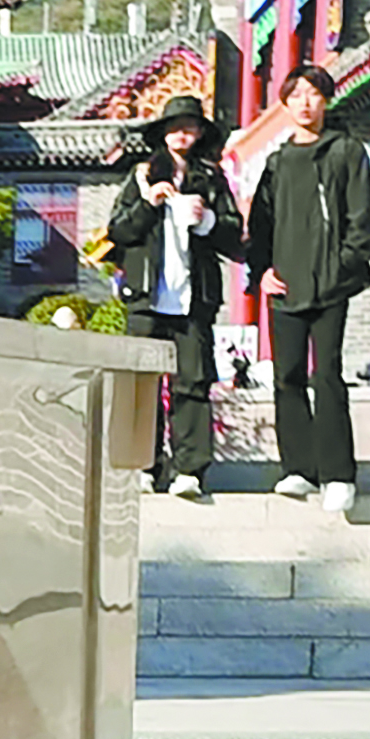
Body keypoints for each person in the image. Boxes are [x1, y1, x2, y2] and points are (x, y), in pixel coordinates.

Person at [240, 59, 370, 510]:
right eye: (296, 95)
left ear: (326, 100)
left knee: (327, 375)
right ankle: (298, 468)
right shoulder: (278, 162)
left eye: (314, 94)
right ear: (284, 103)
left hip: (331, 285)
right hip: (283, 286)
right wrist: (261, 270)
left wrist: (342, 267)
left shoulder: (345, 152)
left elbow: (363, 222)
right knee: (286, 376)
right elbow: (259, 226)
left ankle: (338, 473)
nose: (305, 103)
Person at [106, 95, 242, 499]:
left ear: (200, 132)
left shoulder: (211, 177)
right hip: (147, 296)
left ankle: (189, 469)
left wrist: (209, 220)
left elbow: (235, 235)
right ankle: (143, 467)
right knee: (141, 385)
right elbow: (118, 231)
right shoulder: (143, 175)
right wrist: (149, 204)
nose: (182, 134)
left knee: (193, 384)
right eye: (175, 126)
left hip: (193, 297)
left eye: (190, 126)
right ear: (163, 132)